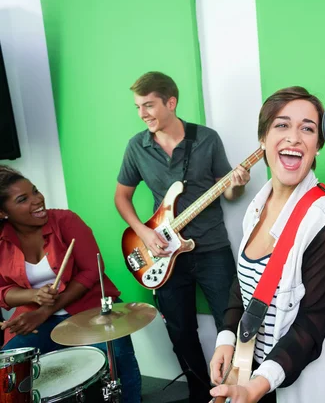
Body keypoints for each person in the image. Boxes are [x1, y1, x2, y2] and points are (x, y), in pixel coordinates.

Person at [209, 87, 325, 403]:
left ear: (317, 146)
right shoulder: (257, 207)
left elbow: (309, 327)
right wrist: (226, 339)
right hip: (258, 374)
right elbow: (244, 283)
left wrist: (255, 387)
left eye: (307, 129)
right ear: (263, 140)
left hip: (310, 385)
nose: (294, 137)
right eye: (282, 125)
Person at [114, 71, 250, 401]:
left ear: (171, 103)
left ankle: (240, 392)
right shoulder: (137, 147)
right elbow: (122, 197)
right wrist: (144, 233)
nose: (142, 113)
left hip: (212, 249)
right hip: (161, 254)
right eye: (137, 107)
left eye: (148, 105)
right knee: (180, 330)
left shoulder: (206, 139)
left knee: (232, 325)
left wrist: (238, 185)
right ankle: (200, 393)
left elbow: (228, 194)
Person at [0, 165, 142, 402]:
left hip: (90, 308)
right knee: (8, 371)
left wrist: (46, 309)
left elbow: (90, 273)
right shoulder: (2, 241)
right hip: (36, 316)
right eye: (23, 199)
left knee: (118, 359)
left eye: (35, 191)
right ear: (3, 212)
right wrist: (33, 296)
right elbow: (3, 290)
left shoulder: (66, 221)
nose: (37, 200)